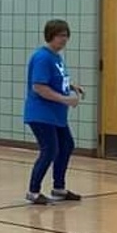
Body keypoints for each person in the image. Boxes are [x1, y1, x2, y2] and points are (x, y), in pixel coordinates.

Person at [23, 19, 85, 204]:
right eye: (60, 36)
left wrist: (71, 86)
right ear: (50, 36)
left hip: (56, 115)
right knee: (50, 150)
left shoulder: (56, 57)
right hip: (42, 114)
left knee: (66, 145)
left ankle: (59, 187)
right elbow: (39, 87)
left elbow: (54, 79)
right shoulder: (43, 57)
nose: (64, 40)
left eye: (66, 36)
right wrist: (66, 99)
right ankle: (33, 191)